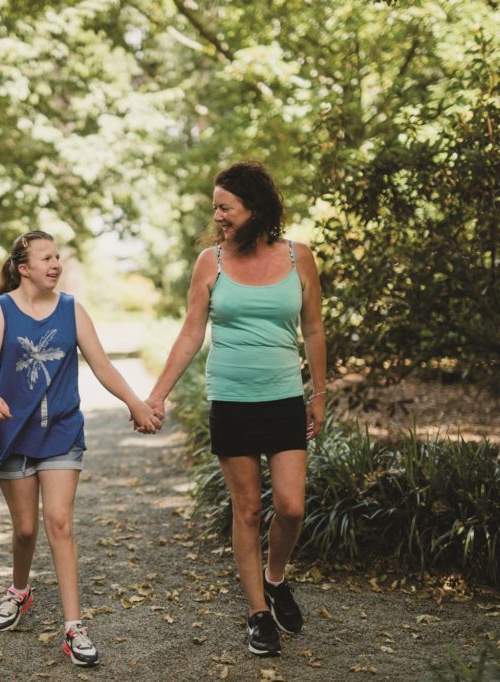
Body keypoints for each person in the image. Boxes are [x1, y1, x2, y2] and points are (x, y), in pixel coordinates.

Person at [146, 161, 327, 657]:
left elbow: (312, 329)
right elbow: (190, 332)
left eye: (226, 207)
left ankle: (275, 577)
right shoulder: (212, 262)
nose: (218, 216)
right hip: (231, 399)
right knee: (247, 510)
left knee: (290, 507)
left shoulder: (299, 258)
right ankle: (257, 614)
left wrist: (320, 393)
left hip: (285, 397)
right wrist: (158, 393)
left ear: (256, 208)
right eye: (216, 207)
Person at [0, 230, 162, 668]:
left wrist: (135, 403)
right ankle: (19, 590)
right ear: (24, 268)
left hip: (60, 431)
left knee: (59, 522)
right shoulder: (0, 310)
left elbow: (101, 364)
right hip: (11, 434)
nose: (55, 264)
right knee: (25, 530)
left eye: (57, 256)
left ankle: (74, 628)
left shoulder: (72, 309)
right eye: (45, 258)